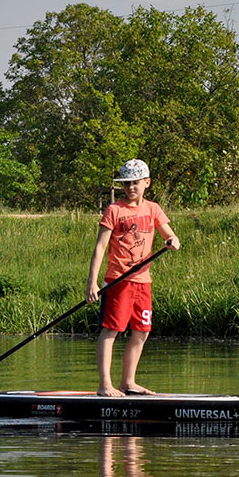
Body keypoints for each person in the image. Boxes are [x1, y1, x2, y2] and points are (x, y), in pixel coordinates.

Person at [86, 159, 180, 397]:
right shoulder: (114, 210)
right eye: (126, 183)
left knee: (142, 331)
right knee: (111, 330)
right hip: (118, 281)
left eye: (135, 183)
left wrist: (173, 241)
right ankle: (105, 385)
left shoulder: (153, 209)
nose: (130, 188)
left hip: (143, 282)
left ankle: (128, 383)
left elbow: (170, 234)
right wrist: (92, 283)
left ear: (146, 183)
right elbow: (100, 248)